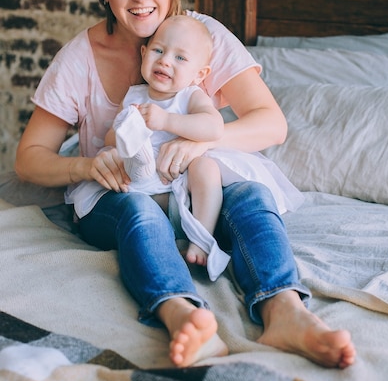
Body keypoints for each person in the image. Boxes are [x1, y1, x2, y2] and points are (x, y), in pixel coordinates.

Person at [15, 0, 356, 369]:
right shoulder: (79, 59)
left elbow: (271, 123)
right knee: (138, 212)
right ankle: (182, 315)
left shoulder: (199, 39)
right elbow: (28, 159)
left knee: (250, 195)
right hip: (125, 193)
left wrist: (199, 145)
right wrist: (82, 167)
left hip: (190, 187)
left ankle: (284, 311)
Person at [71, 14, 303, 281]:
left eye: (180, 58)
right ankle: (145, 182)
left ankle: (202, 238)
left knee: (206, 167)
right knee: (124, 165)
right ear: (144, 53)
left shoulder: (191, 95)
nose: (166, 61)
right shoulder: (135, 95)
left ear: (200, 74)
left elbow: (212, 127)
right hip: (148, 182)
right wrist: (126, 128)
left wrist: (167, 120)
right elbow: (112, 136)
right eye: (158, 50)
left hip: (184, 178)